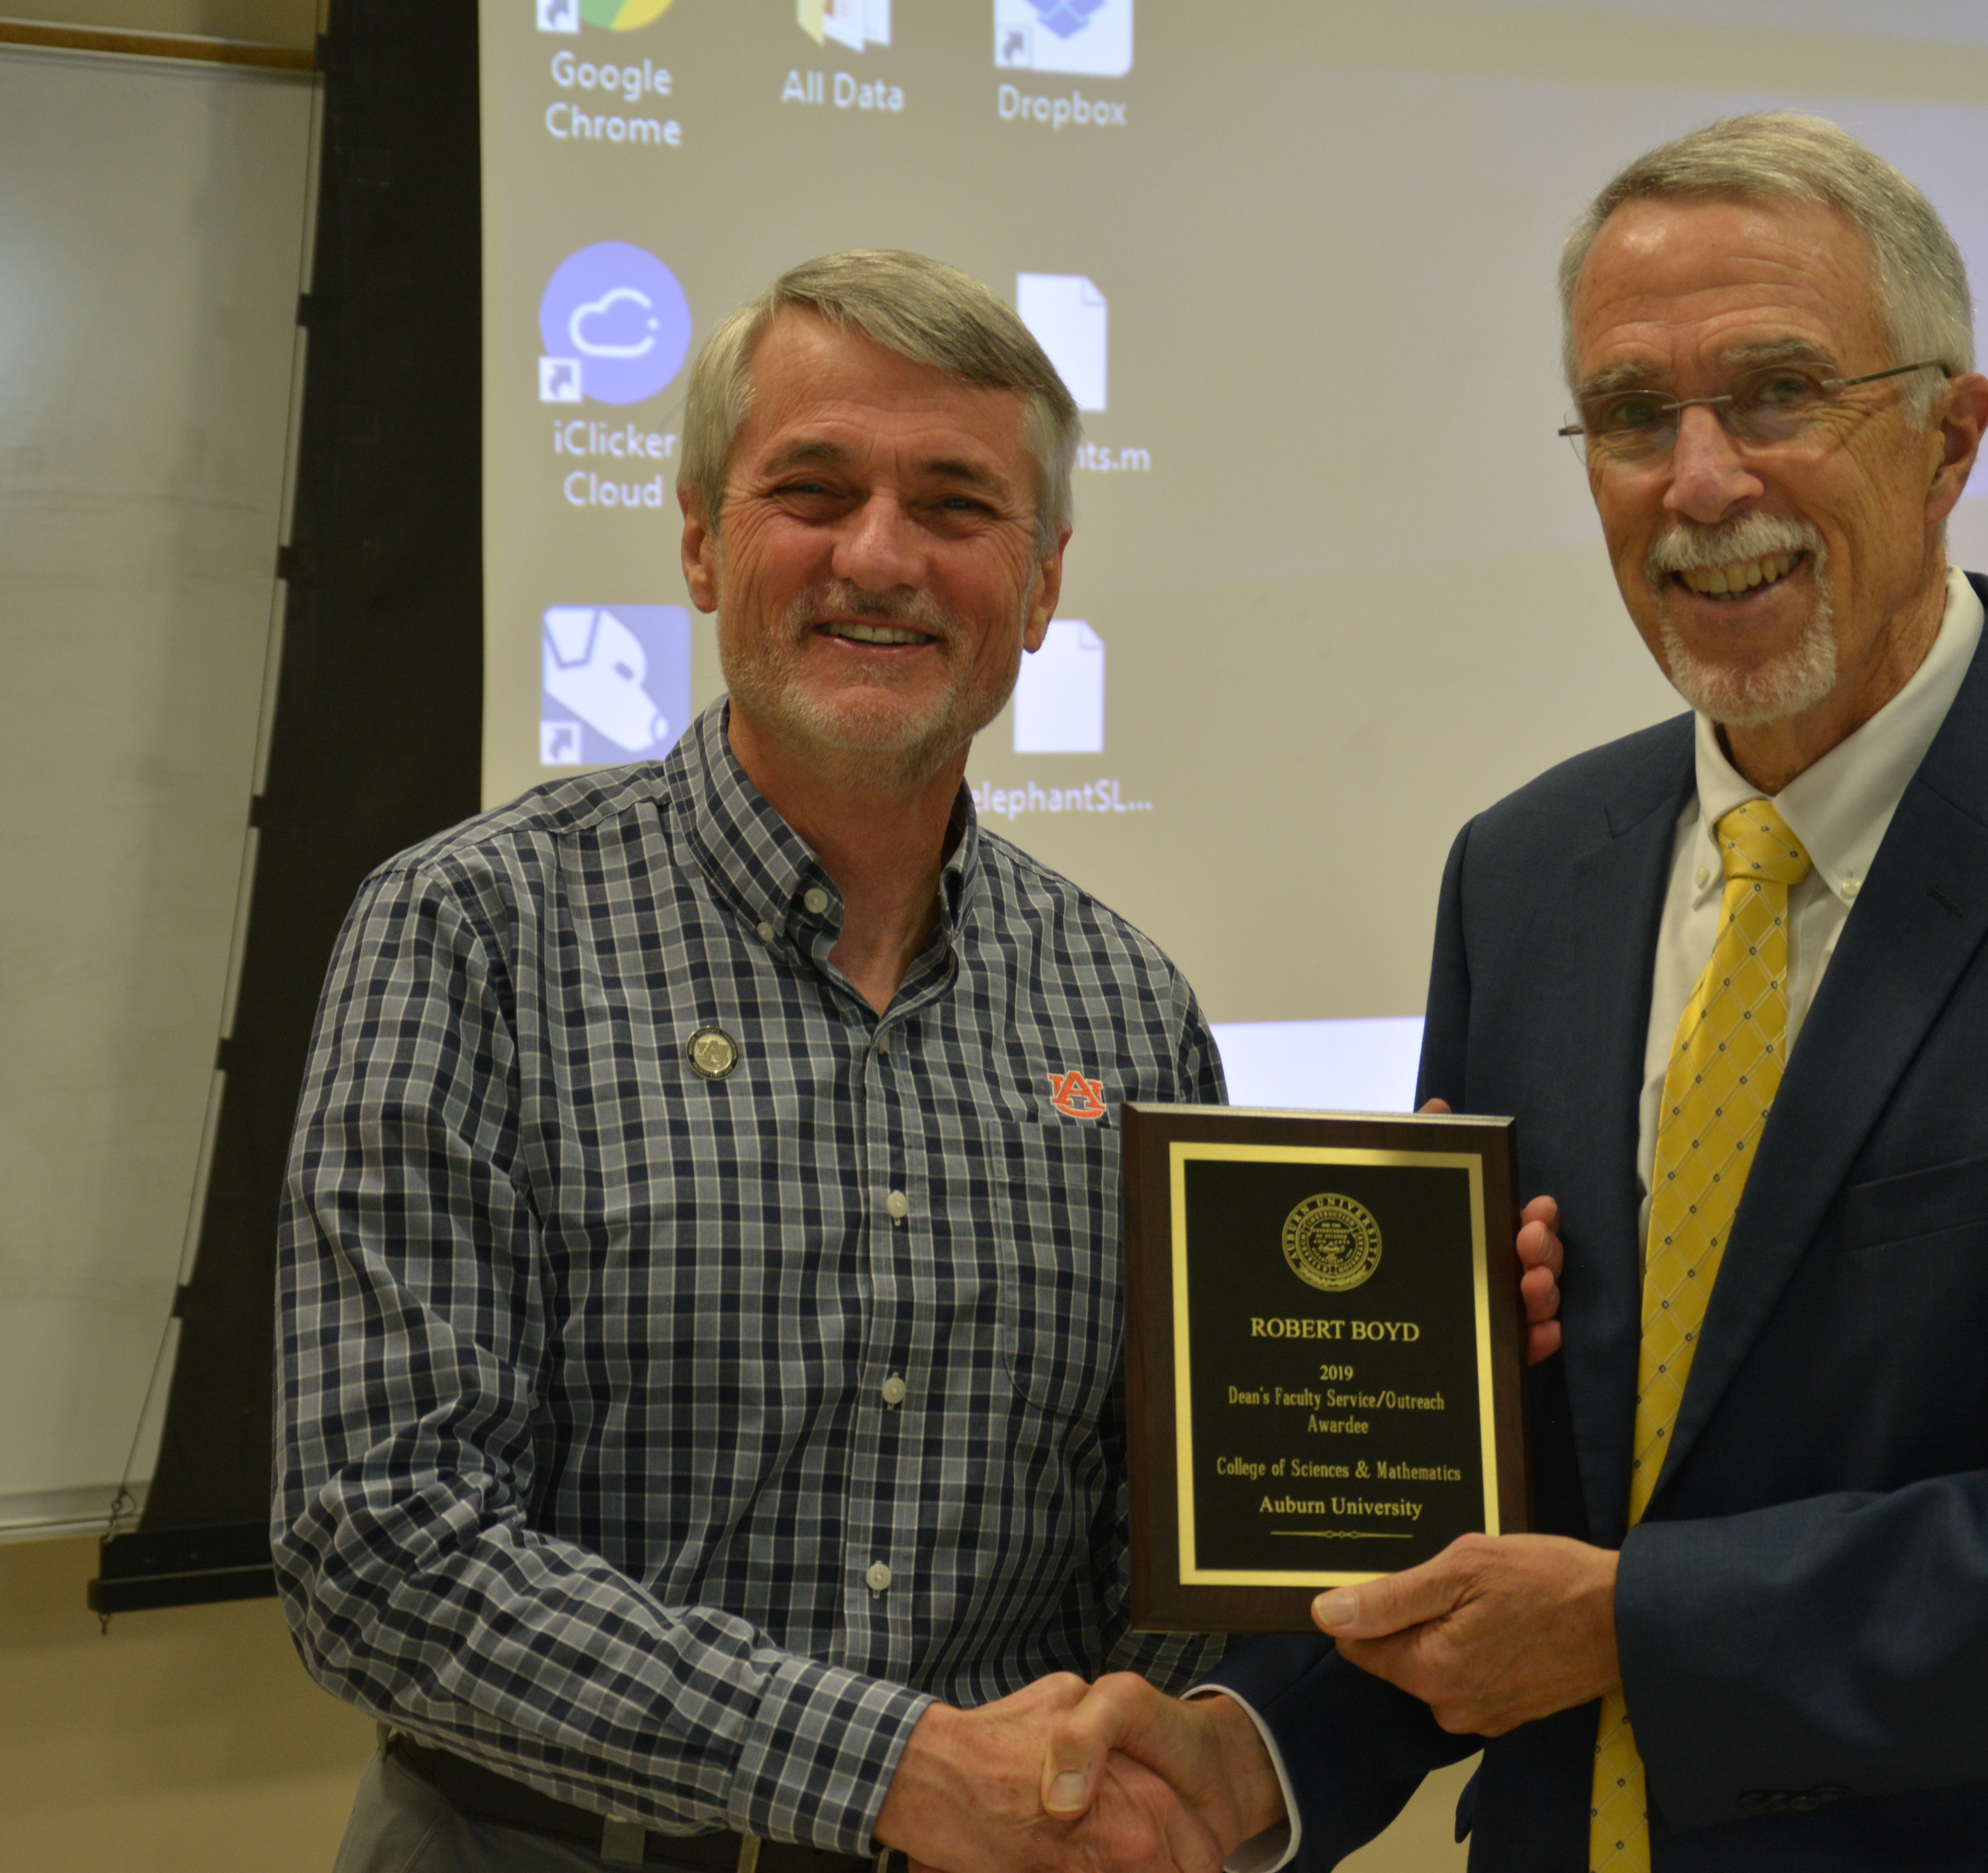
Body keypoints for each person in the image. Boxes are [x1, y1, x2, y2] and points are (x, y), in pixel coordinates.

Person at [1046, 112, 1988, 1872]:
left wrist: (1641, 1623)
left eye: (1776, 394)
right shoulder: (1525, 874)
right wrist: (1250, 1758)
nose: (1699, 482)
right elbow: (1489, 1519)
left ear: (1950, 436)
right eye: (1631, 416)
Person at [273, 249, 1354, 1873]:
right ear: (703, 541)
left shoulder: (1130, 1010)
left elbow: (1175, 1538)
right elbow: (382, 1546)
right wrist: (890, 1769)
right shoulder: (471, 935)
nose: (879, 556)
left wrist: (1151, 1752)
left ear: (1045, 580)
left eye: (955, 504)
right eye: (814, 488)